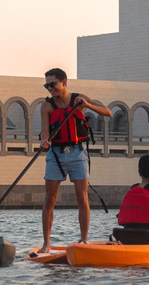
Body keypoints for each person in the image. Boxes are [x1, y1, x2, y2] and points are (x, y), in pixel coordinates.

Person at [39, 67, 112, 252]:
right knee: (50, 198)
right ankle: (46, 244)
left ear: (64, 82)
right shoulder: (47, 106)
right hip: (55, 153)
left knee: (82, 197)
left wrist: (87, 105)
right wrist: (44, 141)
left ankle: (83, 240)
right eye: (46, 85)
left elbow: (107, 112)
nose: (50, 88)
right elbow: (45, 132)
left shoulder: (79, 98)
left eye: (52, 84)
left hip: (77, 153)